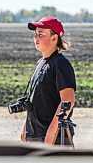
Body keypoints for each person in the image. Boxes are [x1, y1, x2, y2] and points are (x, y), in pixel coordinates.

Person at [20, 16, 76, 145]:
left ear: (54, 38)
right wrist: (25, 129)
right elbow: (34, 100)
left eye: (41, 34)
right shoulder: (41, 63)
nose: (36, 38)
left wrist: (51, 134)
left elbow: (67, 100)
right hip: (35, 134)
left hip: (52, 138)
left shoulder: (60, 64)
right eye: (35, 34)